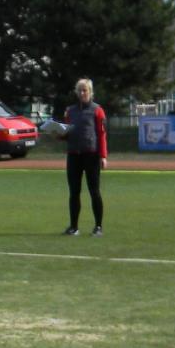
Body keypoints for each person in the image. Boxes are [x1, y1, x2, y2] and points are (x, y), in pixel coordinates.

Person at [61, 78, 108, 236]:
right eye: (80, 90)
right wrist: (58, 134)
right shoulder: (70, 111)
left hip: (91, 155)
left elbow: (101, 134)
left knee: (94, 191)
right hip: (74, 155)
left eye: (85, 90)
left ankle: (98, 227)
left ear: (90, 92)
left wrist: (103, 156)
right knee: (74, 192)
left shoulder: (97, 110)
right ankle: (74, 227)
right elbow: (66, 133)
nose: (82, 93)